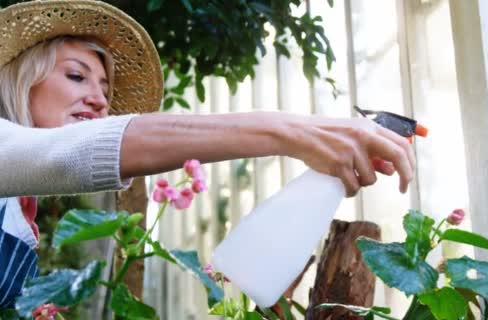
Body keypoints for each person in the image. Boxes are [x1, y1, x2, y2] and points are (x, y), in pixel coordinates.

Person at [0, 0, 416, 309]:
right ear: (21, 81)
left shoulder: (20, 209)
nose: (98, 101)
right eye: (76, 76)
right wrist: (298, 132)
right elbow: (64, 155)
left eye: (106, 92)